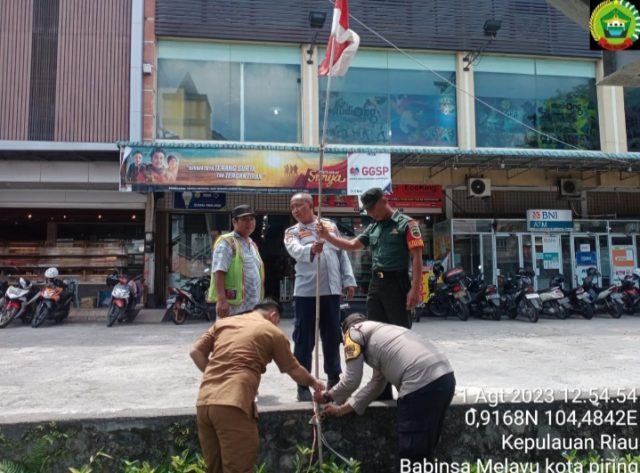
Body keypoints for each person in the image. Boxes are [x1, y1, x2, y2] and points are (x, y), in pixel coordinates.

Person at [190, 299, 325, 473]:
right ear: (274, 316)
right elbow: (294, 369)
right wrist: (314, 383)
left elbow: (195, 352)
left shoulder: (224, 323)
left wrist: (217, 374)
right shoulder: (271, 331)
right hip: (233, 405)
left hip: (204, 403)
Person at [317, 186, 424, 400]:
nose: (370, 213)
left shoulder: (407, 224)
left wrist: (415, 289)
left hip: (398, 283)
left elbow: (416, 258)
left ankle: (407, 388)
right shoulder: (374, 227)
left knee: (400, 338)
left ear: (384, 200)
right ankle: (381, 390)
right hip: (376, 285)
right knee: (376, 339)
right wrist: (327, 236)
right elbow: (352, 245)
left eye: (372, 208)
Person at [314, 313, 456, 470]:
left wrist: (327, 396)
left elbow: (352, 380)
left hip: (419, 385)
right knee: (424, 452)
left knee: (411, 455)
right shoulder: (383, 332)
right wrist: (340, 410)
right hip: (445, 379)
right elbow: (376, 385)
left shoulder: (353, 333)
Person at [284, 192, 357, 402]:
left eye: (299, 205)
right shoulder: (292, 232)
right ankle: (303, 383)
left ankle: (334, 376)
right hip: (307, 292)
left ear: (311, 205)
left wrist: (348, 279)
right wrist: (311, 249)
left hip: (332, 290)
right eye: (292, 207)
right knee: (304, 339)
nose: (296, 210)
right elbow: (294, 250)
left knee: (333, 336)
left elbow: (341, 252)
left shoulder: (328, 226)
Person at [208, 204, 264, 318]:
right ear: (234, 222)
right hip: (233, 308)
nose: (249, 223)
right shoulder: (227, 242)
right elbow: (218, 271)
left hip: (253, 306)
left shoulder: (252, 245)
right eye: (244, 219)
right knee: (231, 335)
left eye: (252, 219)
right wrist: (221, 300)